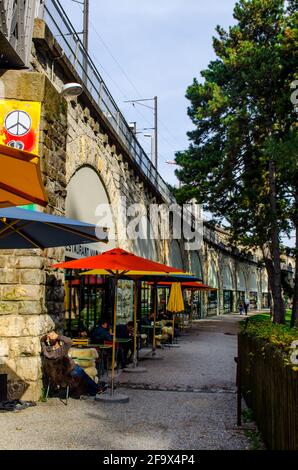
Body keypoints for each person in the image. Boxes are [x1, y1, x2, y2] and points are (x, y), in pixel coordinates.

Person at [41, 331, 107, 397]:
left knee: (80, 373)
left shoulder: (46, 351)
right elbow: (69, 341)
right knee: (81, 374)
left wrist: (46, 338)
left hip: (55, 376)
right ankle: (97, 389)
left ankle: (94, 390)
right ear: (58, 342)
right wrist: (58, 336)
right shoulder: (61, 350)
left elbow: (42, 342)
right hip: (68, 373)